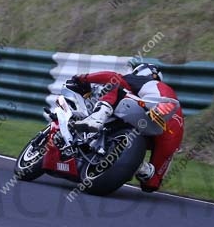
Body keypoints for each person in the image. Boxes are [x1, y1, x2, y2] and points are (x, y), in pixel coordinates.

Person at [65, 63, 184, 192]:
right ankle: (142, 168)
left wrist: (83, 78)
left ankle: (97, 118)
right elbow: (150, 187)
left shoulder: (145, 81)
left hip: (156, 108)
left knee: (115, 85)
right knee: (151, 183)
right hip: (174, 131)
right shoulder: (166, 92)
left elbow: (113, 76)